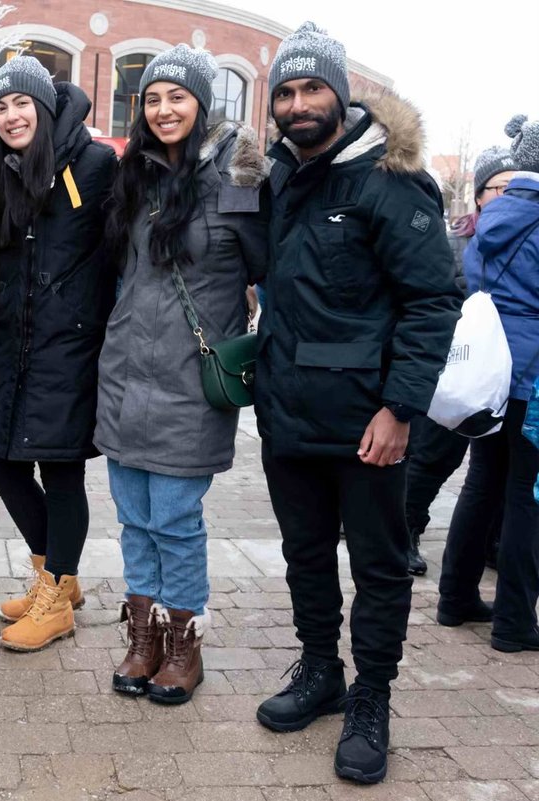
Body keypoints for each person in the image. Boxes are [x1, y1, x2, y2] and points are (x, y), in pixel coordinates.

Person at [252, 23, 461, 784]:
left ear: (340, 96)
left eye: (312, 89)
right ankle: (320, 669)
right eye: (286, 91)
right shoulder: (276, 179)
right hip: (286, 415)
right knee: (305, 555)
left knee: (377, 567)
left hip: (369, 423)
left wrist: (400, 408)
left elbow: (434, 301)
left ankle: (372, 695)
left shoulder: (389, 180)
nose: (298, 103)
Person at [96, 45, 268, 703]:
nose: (164, 108)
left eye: (178, 96)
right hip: (124, 373)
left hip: (189, 379)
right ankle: (142, 640)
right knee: (135, 520)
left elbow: (264, 266)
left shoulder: (237, 176)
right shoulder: (133, 174)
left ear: (202, 103)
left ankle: (182, 645)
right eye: (153, 98)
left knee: (174, 518)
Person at [0, 57, 115, 652]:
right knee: (2, 466)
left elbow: (118, 251)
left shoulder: (96, 163)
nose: (10, 116)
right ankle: (56, 573)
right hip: (12, 343)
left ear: (45, 106)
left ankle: (57, 598)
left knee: (61, 472)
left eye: (20, 103)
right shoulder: (5, 170)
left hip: (69, 348)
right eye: (0, 107)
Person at [437, 116, 539, 652]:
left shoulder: (493, 215)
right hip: (532, 378)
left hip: (491, 372)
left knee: (483, 484)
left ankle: (454, 598)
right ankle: (516, 622)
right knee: (526, 495)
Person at [405, 146, 516, 576]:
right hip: (457, 364)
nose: (510, 196)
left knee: (497, 467)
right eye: (501, 188)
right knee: (436, 455)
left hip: (509, 372)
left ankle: (492, 541)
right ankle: (406, 530)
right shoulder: (456, 240)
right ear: (480, 195)